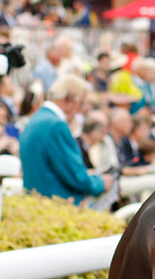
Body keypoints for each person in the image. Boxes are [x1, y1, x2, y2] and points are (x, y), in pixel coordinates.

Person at [19, 75, 114, 204]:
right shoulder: (56, 125)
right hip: (57, 206)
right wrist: (101, 182)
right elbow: (75, 176)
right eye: (80, 104)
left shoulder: (38, 118)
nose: (80, 111)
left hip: (37, 203)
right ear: (70, 98)